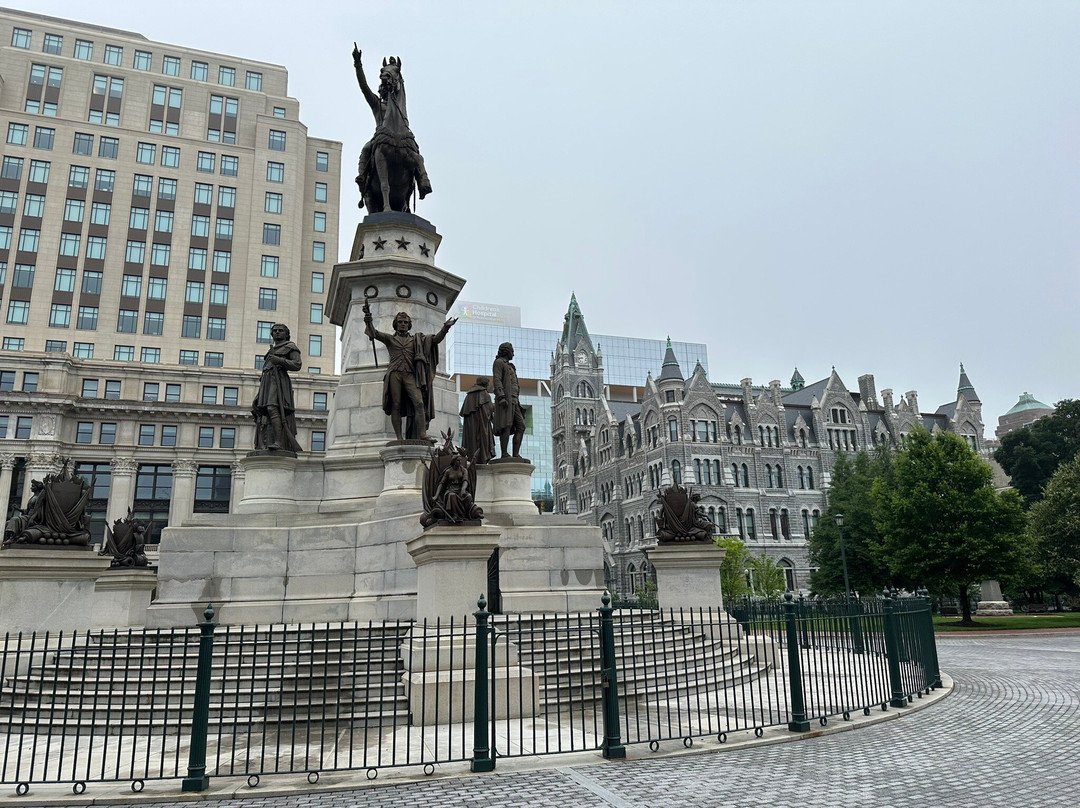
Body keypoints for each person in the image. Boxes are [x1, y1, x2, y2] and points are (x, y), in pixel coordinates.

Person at [364, 304, 456, 441]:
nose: (403, 324)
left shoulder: (416, 340)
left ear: (409, 325)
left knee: (419, 403)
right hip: (394, 374)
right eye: (400, 322)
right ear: (395, 324)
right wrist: (368, 320)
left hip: (410, 375)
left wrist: (446, 328)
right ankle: (399, 438)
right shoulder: (390, 339)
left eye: (405, 322)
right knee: (396, 404)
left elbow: (435, 340)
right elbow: (374, 333)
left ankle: (422, 434)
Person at [252, 323, 303, 453]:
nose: (277, 332)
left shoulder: (290, 347)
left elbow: (297, 364)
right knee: (264, 413)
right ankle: (265, 442)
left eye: (281, 330)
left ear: (286, 334)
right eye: (275, 331)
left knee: (272, 408)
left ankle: (279, 442)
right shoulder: (271, 351)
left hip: (279, 381)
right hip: (267, 382)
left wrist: (279, 361)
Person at [492, 342, 528, 460]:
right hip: (506, 400)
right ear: (506, 351)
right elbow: (497, 380)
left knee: (521, 426)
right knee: (506, 426)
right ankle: (504, 454)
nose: (513, 353)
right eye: (512, 351)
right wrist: (501, 396)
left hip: (515, 401)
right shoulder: (499, 363)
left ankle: (515, 454)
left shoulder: (511, 366)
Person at [460, 377, 496, 464]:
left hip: (470, 428)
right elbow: (488, 410)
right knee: (482, 442)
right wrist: (496, 405)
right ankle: (481, 458)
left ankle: (472, 458)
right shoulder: (484, 394)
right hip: (481, 426)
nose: (488, 386)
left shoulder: (469, 395)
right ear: (484, 384)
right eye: (487, 384)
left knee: (471, 442)